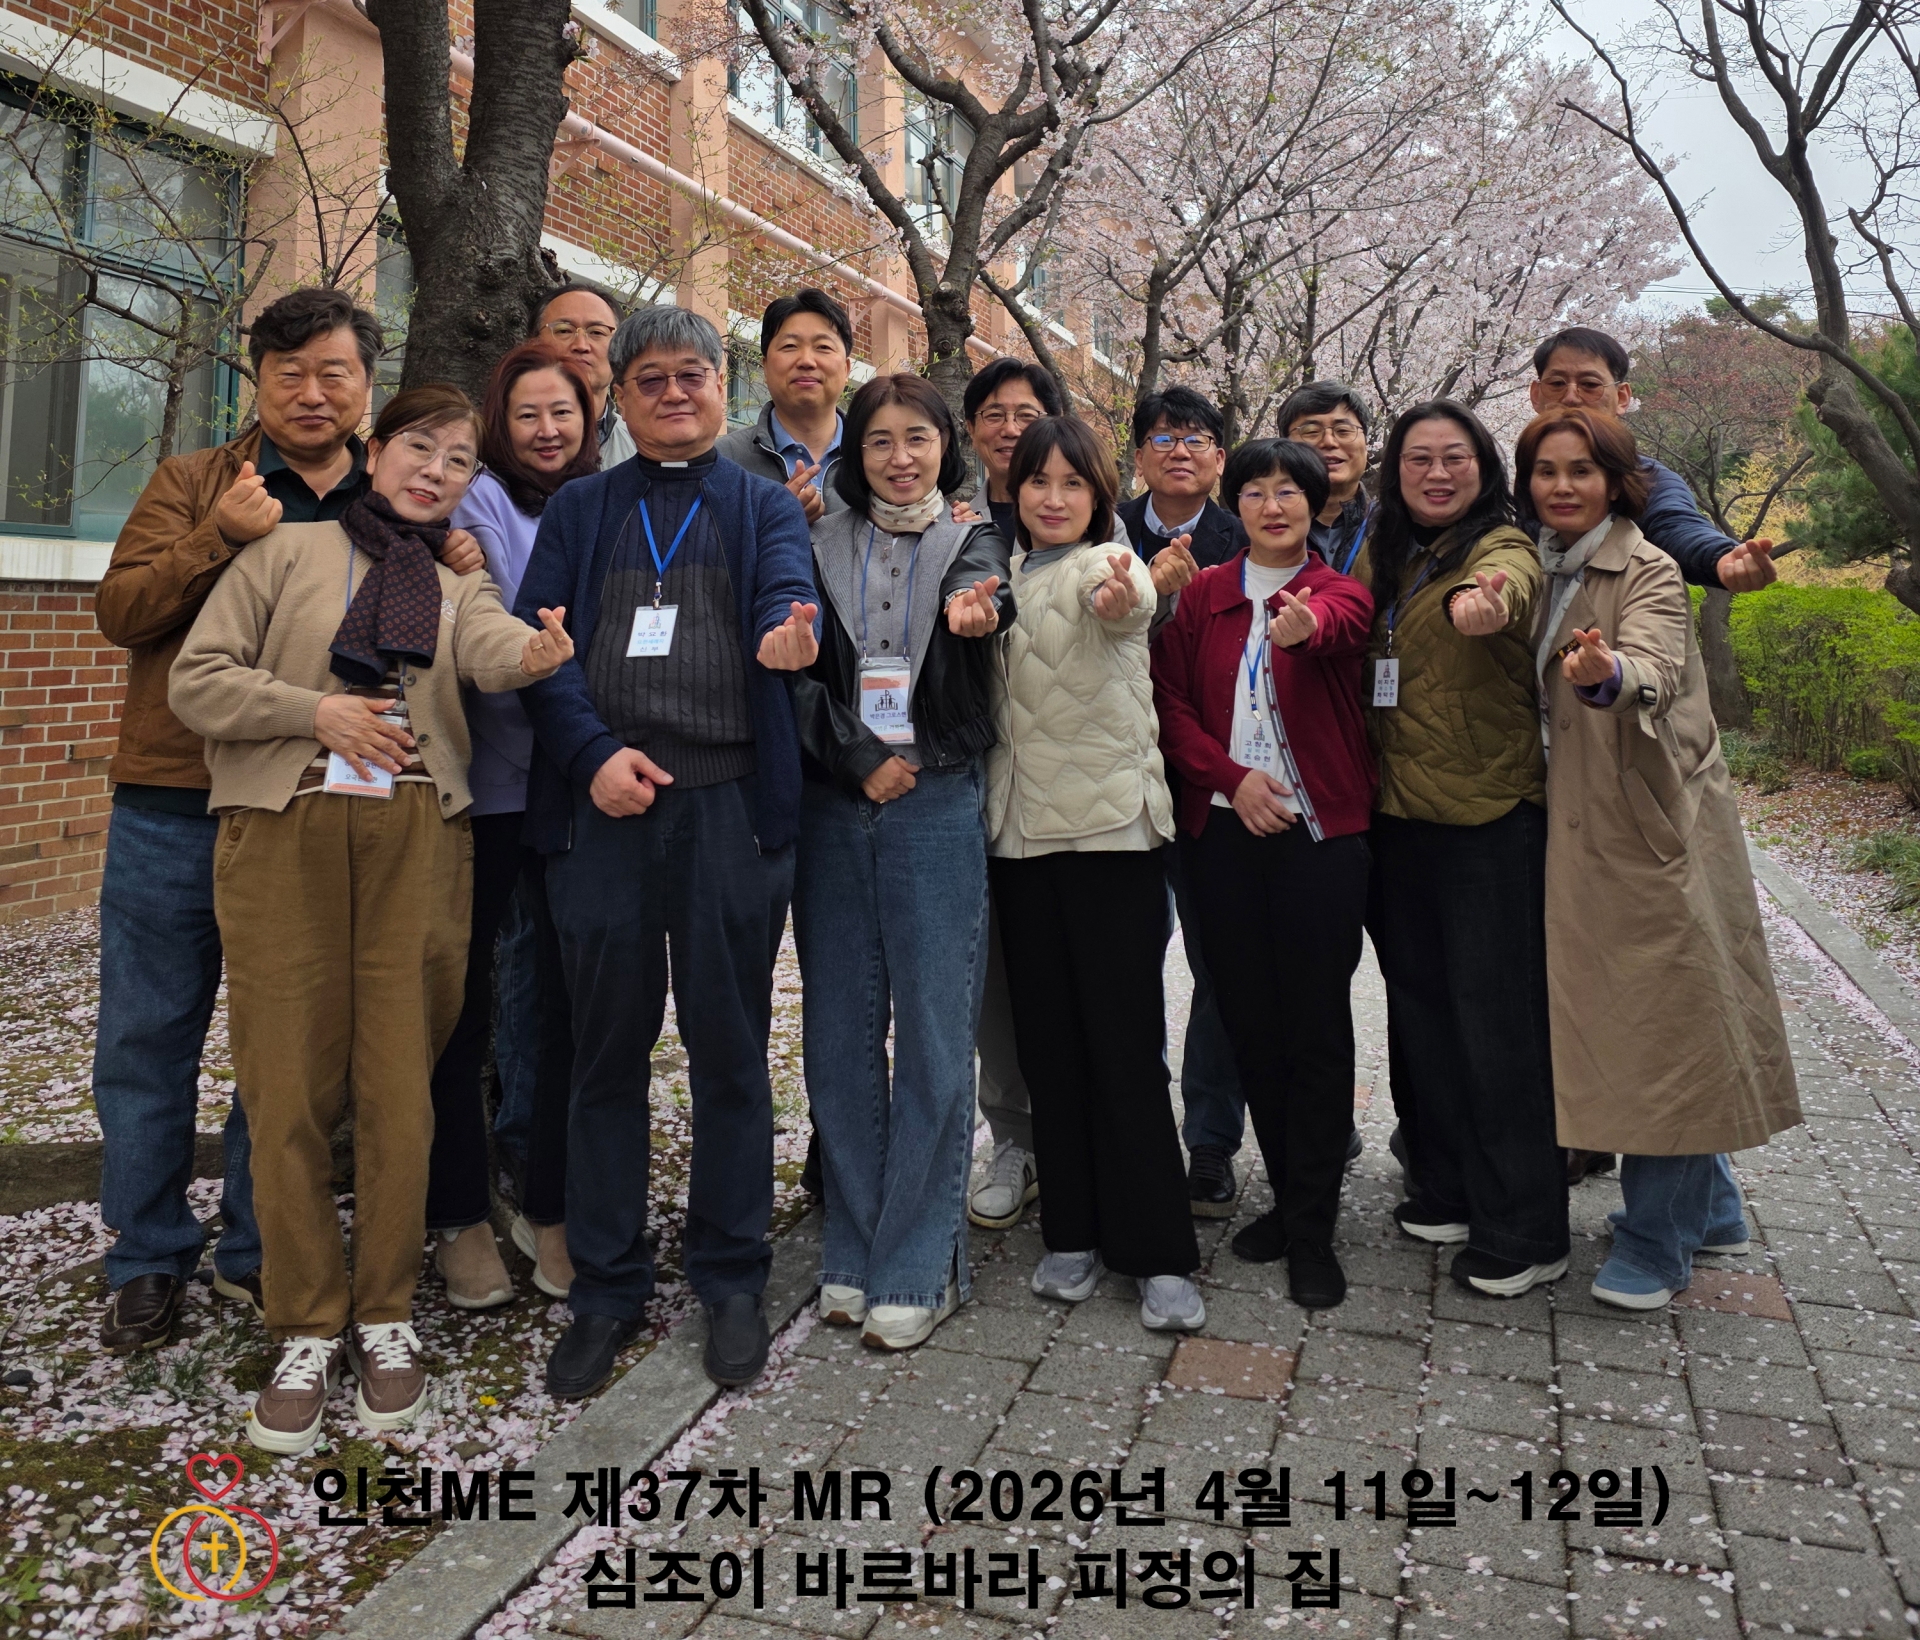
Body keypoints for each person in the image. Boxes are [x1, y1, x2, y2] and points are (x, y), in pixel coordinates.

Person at [169, 385, 573, 1454]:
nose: (436, 471)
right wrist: (317, 711)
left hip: (418, 834)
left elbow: (488, 650)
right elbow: (198, 680)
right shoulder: (282, 553)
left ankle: (386, 1311)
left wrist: (535, 655)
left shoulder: (457, 580)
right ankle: (307, 1321)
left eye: (459, 461)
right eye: (419, 448)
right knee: (287, 1085)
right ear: (376, 449)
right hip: (282, 823)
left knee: (400, 1084)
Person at [90, 286, 480, 1355]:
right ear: (256, 379)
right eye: (288, 372)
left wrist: (461, 570)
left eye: (334, 372)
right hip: (176, 797)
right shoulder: (196, 482)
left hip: (326, 809)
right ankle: (147, 1256)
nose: (312, 392)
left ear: (366, 387)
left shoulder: (399, 492)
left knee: (289, 1047)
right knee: (149, 1034)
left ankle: (260, 1247)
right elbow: (122, 613)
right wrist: (216, 538)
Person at [514, 305, 820, 1399]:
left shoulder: (760, 503)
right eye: (651, 379)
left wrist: (791, 632)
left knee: (730, 1048)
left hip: (729, 808)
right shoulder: (581, 508)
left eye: (693, 375)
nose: (675, 394)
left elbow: (788, 593)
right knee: (603, 1054)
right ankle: (606, 1284)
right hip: (603, 812)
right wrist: (592, 755)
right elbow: (538, 646)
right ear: (620, 396)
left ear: (722, 386)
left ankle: (731, 1274)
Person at [1516, 406, 1800, 1309]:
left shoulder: (1644, 565)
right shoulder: (1541, 563)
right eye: (1547, 471)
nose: (1562, 486)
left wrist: (1606, 676)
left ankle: (1655, 1241)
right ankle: (1712, 1208)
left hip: (1643, 824)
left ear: (1616, 482)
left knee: (1662, 1031)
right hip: (1580, 820)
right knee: (1646, 1018)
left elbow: (1652, 665)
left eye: (1582, 471)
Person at [790, 374, 1013, 1348]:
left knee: (931, 1033)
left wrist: (980, 612)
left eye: (917, 437)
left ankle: (922, 1259)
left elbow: (989, 596)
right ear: (856, 452)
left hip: (936, 801)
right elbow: (793, 673)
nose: (899, 457)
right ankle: (853, 1243)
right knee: (839, 1033)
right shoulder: (812, 542)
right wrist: (856, 759)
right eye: (879, 440)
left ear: (944, 446)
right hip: (837, 803)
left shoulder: (972, 540)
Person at [986, 415, 1204, 1334]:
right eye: (1038, 481)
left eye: (1072, 483)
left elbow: (1125, 600)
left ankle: (1159, 1252)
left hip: (1111, 837)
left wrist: (1128, 592)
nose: (1053, 498)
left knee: (1122, 1046)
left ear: (1100, 495)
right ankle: (1071, 1232)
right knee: (1049, 1048)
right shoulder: (994, 577)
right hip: (1019, 842)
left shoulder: (1106, 564)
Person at [1151, 438, 1376, 1309]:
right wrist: (1230, 778)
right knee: (1249, 1023)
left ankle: (1312, 1226)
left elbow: (1339, 627)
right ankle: (1288, 1198)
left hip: (1318, 840)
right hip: (1223, 831)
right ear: (1234, 503)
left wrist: (1303, 627)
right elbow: (1170, 703)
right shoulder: (1204, 594)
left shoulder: (1335, 591)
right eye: (1254, 491)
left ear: (1315, 506)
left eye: (1289, 492)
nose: (1272, 506)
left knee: (1314, 1027)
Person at [1364, 399, 1569, 1299]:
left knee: (1499, 1028)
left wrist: (1489, 606)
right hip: (1399, 819)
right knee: (1421, 1015)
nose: (1437, 473)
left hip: (1489, 819)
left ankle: (1525, 1227)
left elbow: (1509, 584)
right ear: (1396, 471)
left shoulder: (1502, 546)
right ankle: (1443, 1186)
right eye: (1419, 459)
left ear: (1484, 469)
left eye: (1455, 457)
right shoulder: (1389, 550)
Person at [428, 341, 602, 1310]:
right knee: (467, 1006)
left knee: (564, 1002)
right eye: (527, 413)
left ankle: (550, 1198)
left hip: (576, 786)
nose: (546, 429)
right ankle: (463, 1206)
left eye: (563, 411)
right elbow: (485, 627)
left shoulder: (608, 497)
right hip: (487, 791)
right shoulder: (478, 503)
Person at [1112, 385, 1250, 1219]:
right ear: (1139, 455)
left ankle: (1210, 1140)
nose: (1180, 451)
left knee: (1217, 964)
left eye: (1197, 438)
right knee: (1127, 962)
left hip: (1205, 780)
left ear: (1221, 458)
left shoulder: (1246, 537)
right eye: (1163, 438)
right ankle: (1132, 1132)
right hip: (1115, 780)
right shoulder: (1102, 528)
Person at [958, 358, 1065, 1231]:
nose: (1007, 428)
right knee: (993, 973)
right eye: (991, 414)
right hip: (974, 772)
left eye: (1025, 413)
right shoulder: (948, 516)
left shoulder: (1083, 517)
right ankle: (1016, 1138)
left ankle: (1098, 1128)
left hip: (1068, 782)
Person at [1526, 327, 1779, 592]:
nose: (1570, 397)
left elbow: (1675, 525)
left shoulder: (1647, 478)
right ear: (1536, 395)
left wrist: (1719, 556)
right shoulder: (1518, 478)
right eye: (1556, 384)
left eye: (1590, 385)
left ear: (1622, 397)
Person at [717, 287, 855, 523]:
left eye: (823, 347)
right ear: (765, 366)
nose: (806, 361)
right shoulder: (722, 461)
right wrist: (774, 521)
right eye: (790, 346)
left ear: (846, 369)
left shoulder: (875, 456)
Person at [1277, 381, 1373, 573]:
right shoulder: (1259, 527)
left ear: (1366, 445)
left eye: (1343, 431)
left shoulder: (1396, 527)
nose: (1329, 442)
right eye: (1311, 432)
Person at [535, 284, 636, 466]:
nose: (581, 345)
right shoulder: (498, 442)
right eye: (564, 330)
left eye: (597, 332)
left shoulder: (644, 448)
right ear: (533, 344)